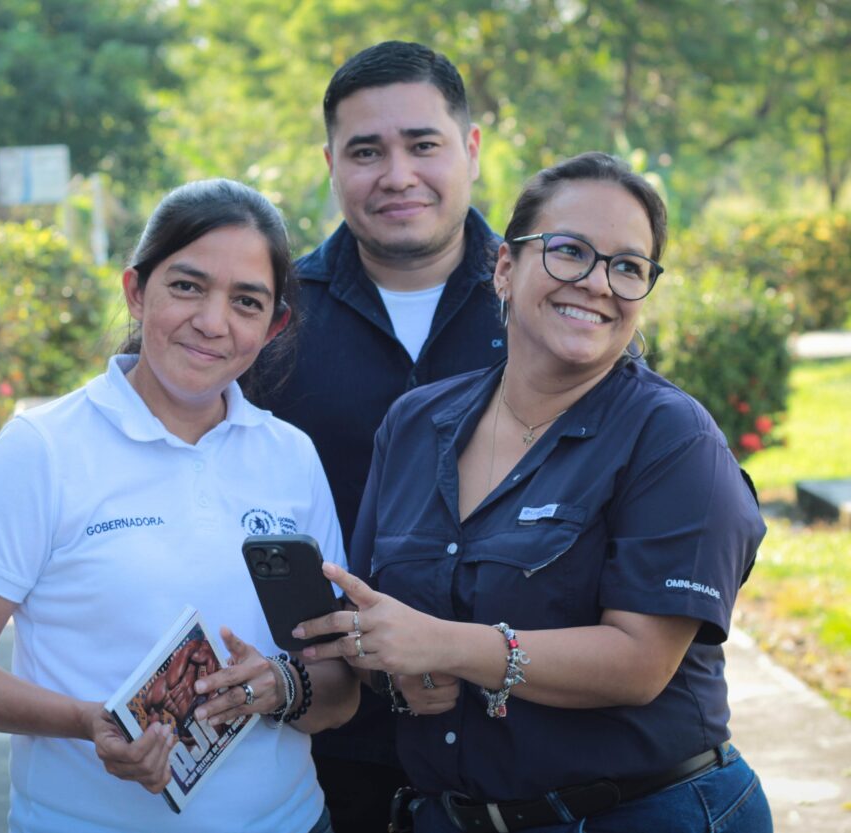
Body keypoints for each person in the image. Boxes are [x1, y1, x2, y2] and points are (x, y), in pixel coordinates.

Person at [298, 152, 773, 832]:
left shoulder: (671, 436)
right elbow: (382, 619)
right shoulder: (414, 422)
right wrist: (393, 671)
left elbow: (641, 662)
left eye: (628, 266)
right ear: (504, 268)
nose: (598, 282)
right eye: (570, 251)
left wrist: (449, 647)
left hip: (642, 814)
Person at [0, 179, 359, 833]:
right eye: (186, 285)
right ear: (136, 291)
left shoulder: (291, 456)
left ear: (273, 324)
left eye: (247, 300)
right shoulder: (42, 450)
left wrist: (281, 686)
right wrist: (88, 720)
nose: (212, 320)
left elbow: (341, 688)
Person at [255, 40, 507, 830]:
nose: (397, 174)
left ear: (470, 149)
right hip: (331, 745)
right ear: (331, 162)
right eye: (366, 151)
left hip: (527, 742)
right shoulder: (269, 318)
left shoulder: (549, 301)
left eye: (422, 144)